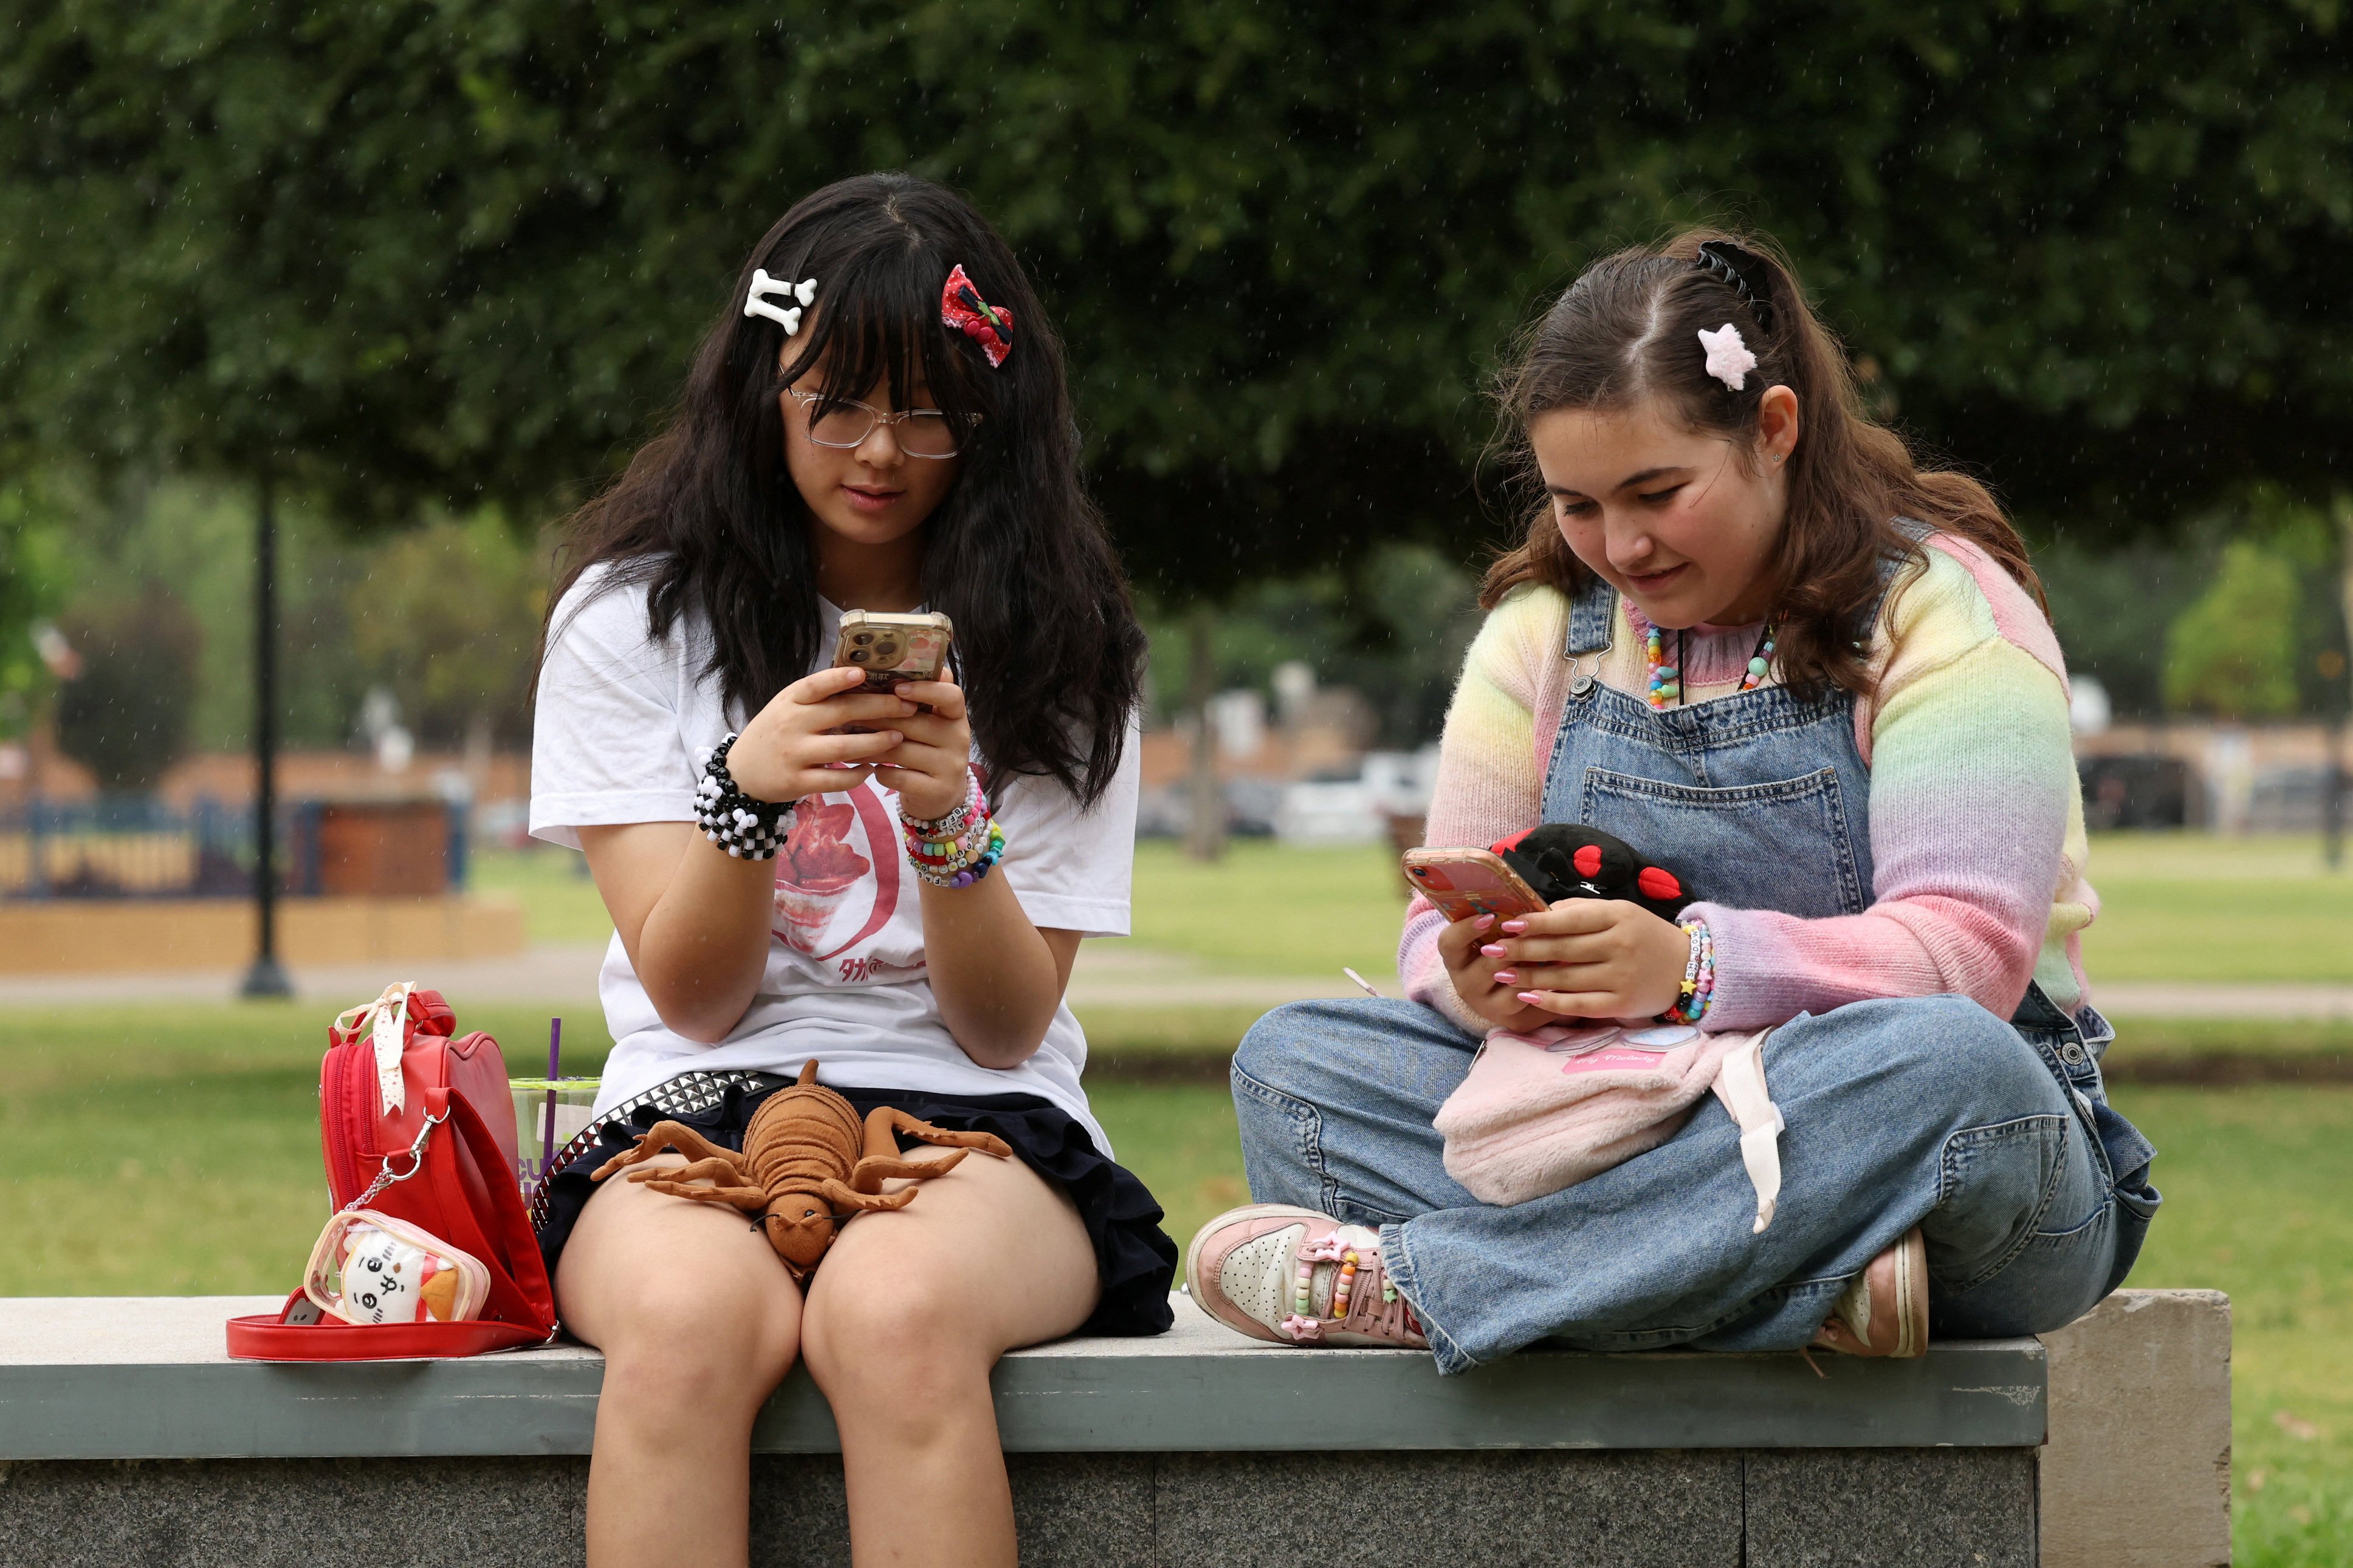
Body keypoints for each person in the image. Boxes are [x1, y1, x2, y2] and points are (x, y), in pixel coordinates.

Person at [1184, 230, 2159, 1373]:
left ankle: (1443, 1282)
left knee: (1945, 1064)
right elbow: (1429, 921)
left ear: (1776, 429)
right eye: (1579, 506)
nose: (1622, 545)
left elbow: (1970, 956)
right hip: (1612, 1113)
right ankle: (1782, 1272)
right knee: (1294, 1065)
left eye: (1658, 492)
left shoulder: (1941, 613)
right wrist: (1474, 977)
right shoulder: (1541, 633)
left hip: (1945, 1144)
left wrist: (1689, 971)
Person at [529, 172, 1173, 1567]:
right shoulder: (632, 623)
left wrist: (951, 823)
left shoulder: (1065, 642)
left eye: (928, 409)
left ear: (992, 423)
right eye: (836, 400)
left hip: (982, 1117)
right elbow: (692, 998)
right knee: (687, 1324)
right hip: (690, 1107)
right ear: (764, 385)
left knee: (893, 1314)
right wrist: (748, 794)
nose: (879, 447)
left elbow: (1003, 1026)